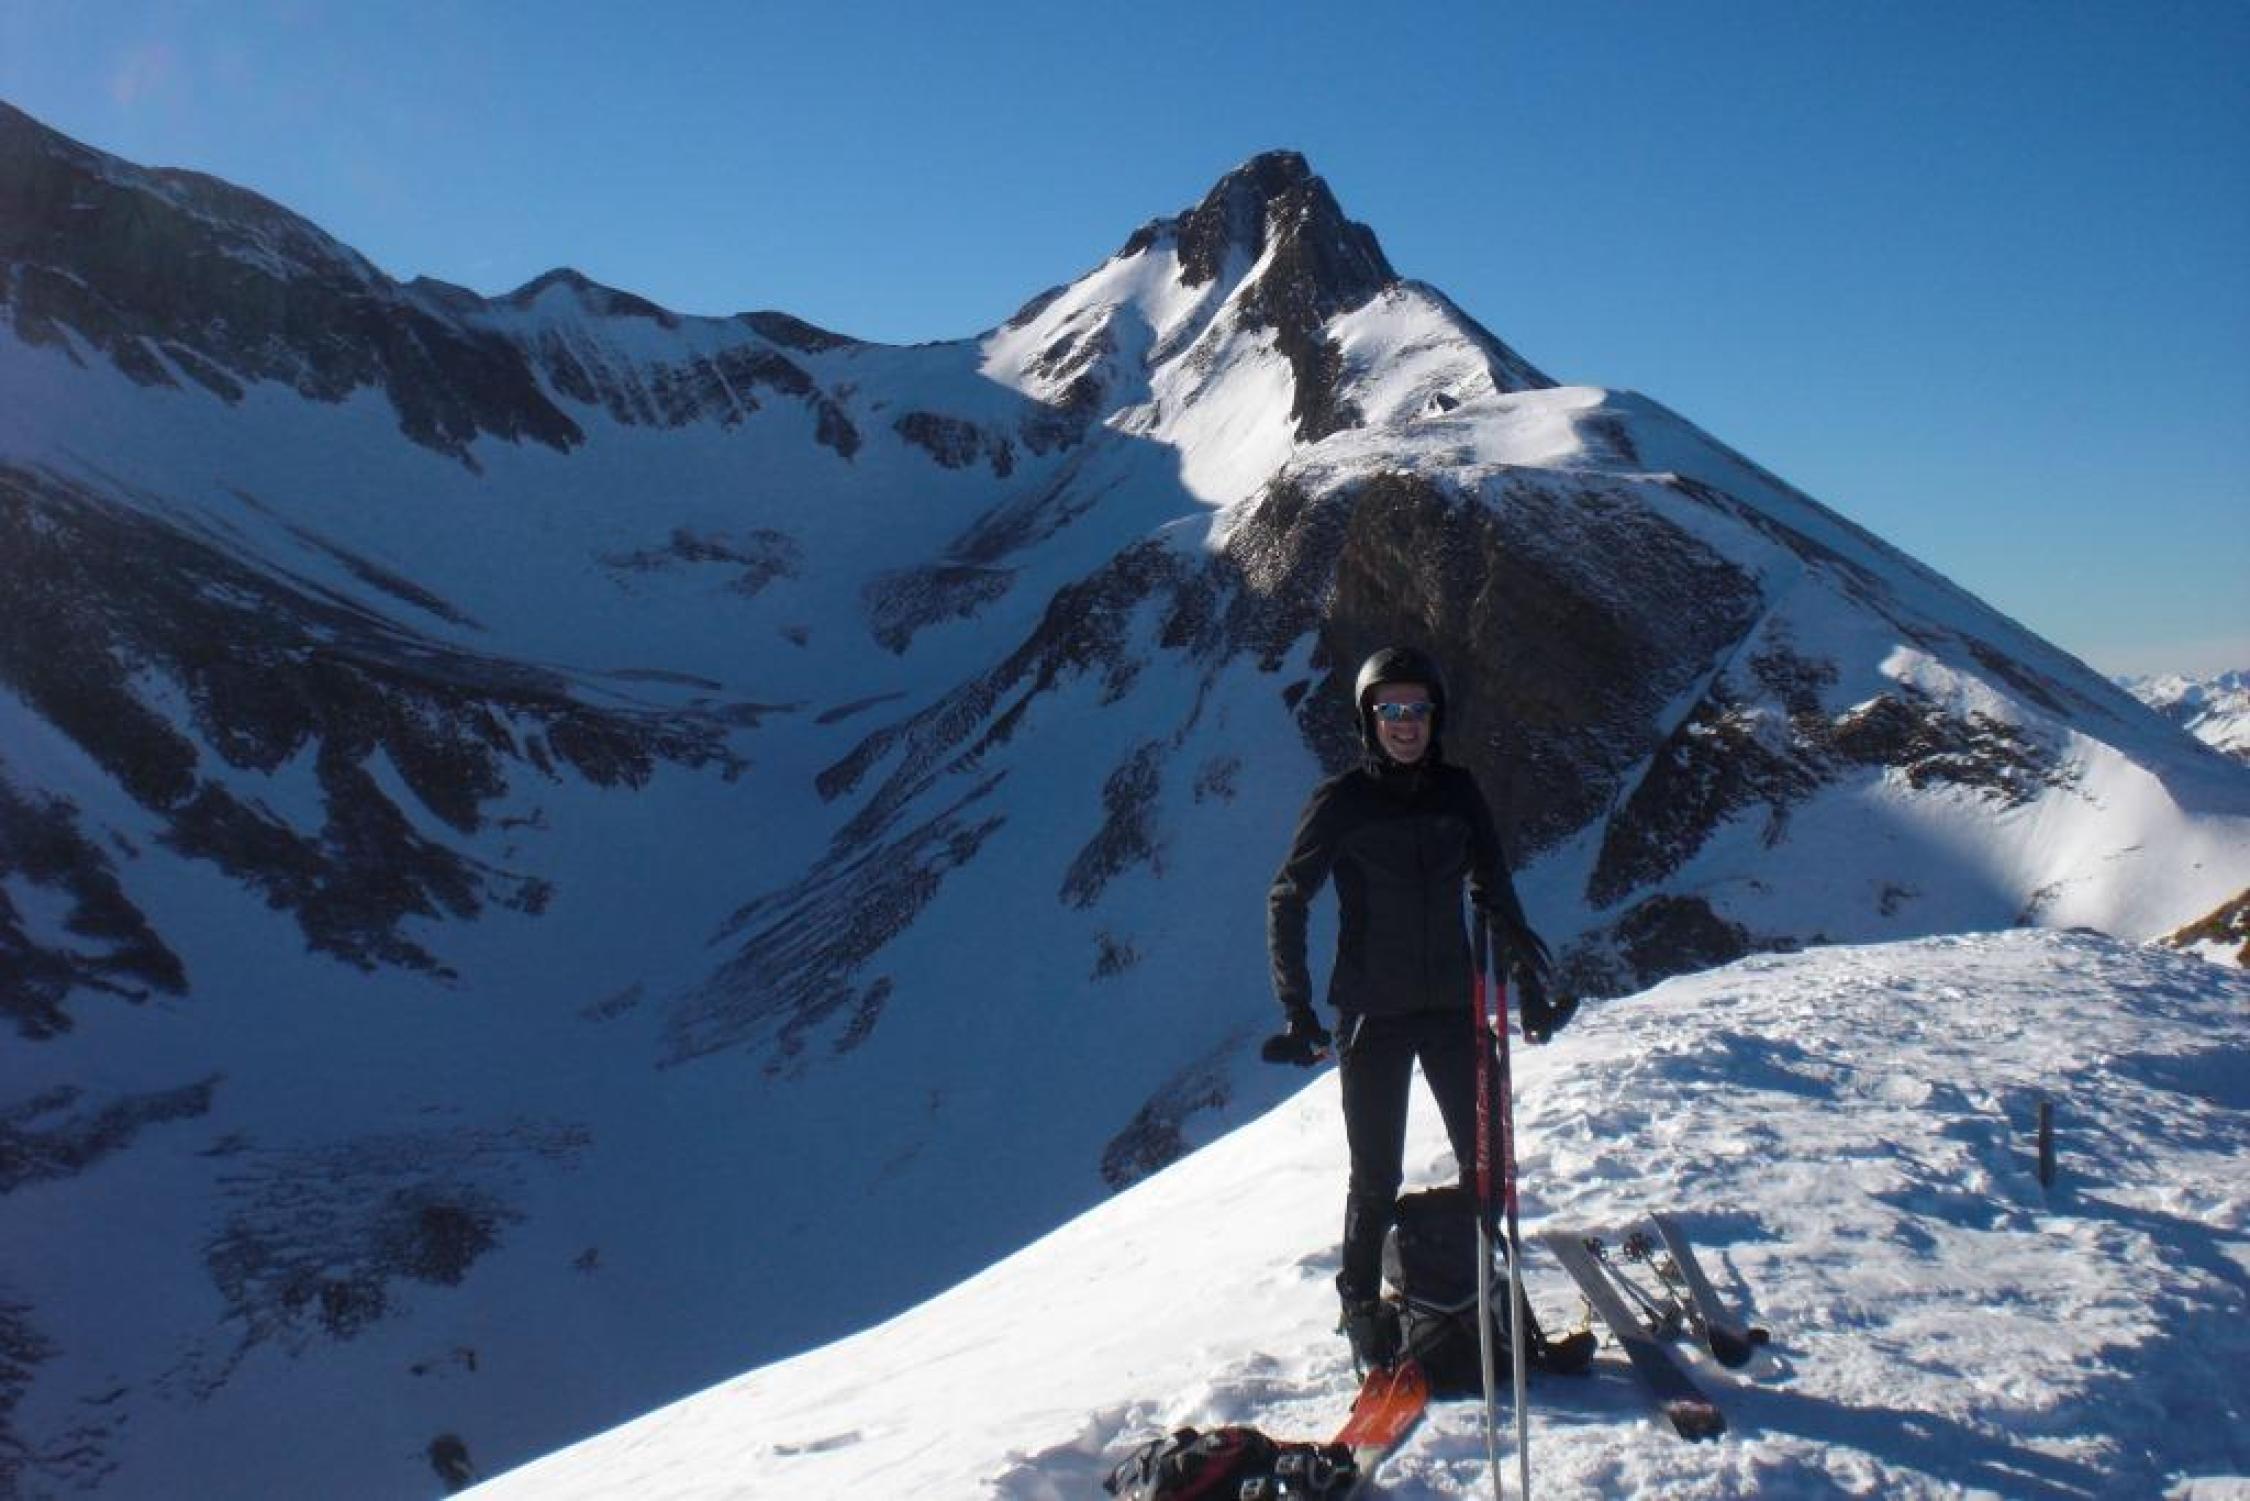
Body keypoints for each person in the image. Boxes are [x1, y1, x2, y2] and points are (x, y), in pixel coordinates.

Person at [1262, 645, 1574, 1370]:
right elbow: (1287, 897)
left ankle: (1494, 1311)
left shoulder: (1458, 792)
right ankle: (1364, 1321)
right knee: (1375, 1180)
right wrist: (1297, 1011)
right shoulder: (1341, 800)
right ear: (1368, 719)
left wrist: (1529, 989)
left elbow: (1493, 890)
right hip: (1371, 1015)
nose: (1405, 722)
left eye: (1418, 709)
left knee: (1486, 1168)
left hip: (1453, 1010)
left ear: (1436, 716)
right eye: (1390, 709)